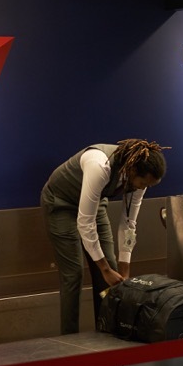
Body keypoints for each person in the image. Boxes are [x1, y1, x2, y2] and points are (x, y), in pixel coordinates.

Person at [41, 139, 166, 334]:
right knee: (74, 274)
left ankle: (107, 330)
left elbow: (129, 223)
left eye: (149, 185)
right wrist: (104, 268)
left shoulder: (140, 181)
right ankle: (69, 336)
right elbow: (85, 222)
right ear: (132, 170)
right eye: (143, 183)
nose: (144, 187)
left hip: (94, 204)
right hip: (61, 203)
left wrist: (124, 268)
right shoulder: (100, 164)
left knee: (111, 270)